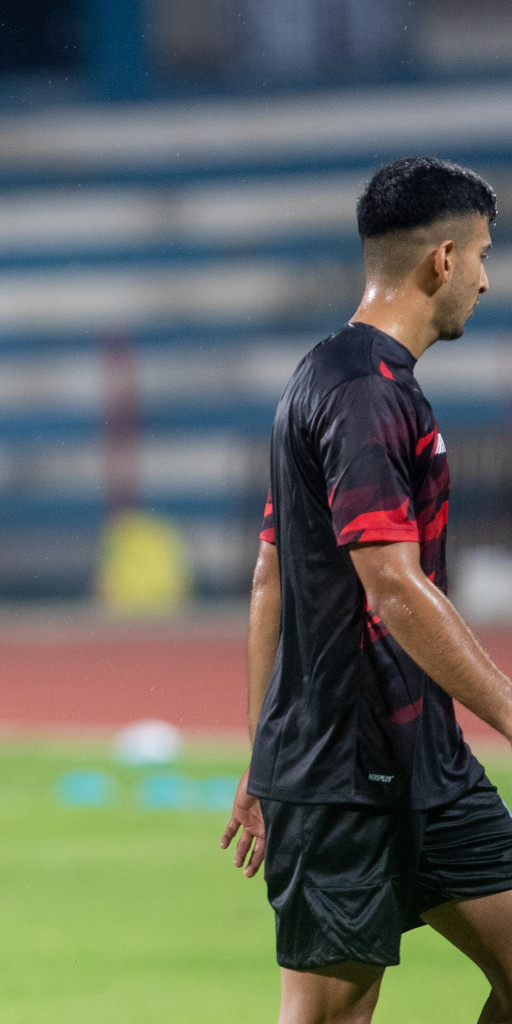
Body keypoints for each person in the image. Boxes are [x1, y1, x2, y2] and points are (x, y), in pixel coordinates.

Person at [222, 156, 512, 1024]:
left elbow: (270, 576)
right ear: (444, 260)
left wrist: (257, 750)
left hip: (425, 760)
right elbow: (394, 586)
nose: (489, 281)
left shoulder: (332, 378)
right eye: (487, 256)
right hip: (341, 774)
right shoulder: (361, 393)